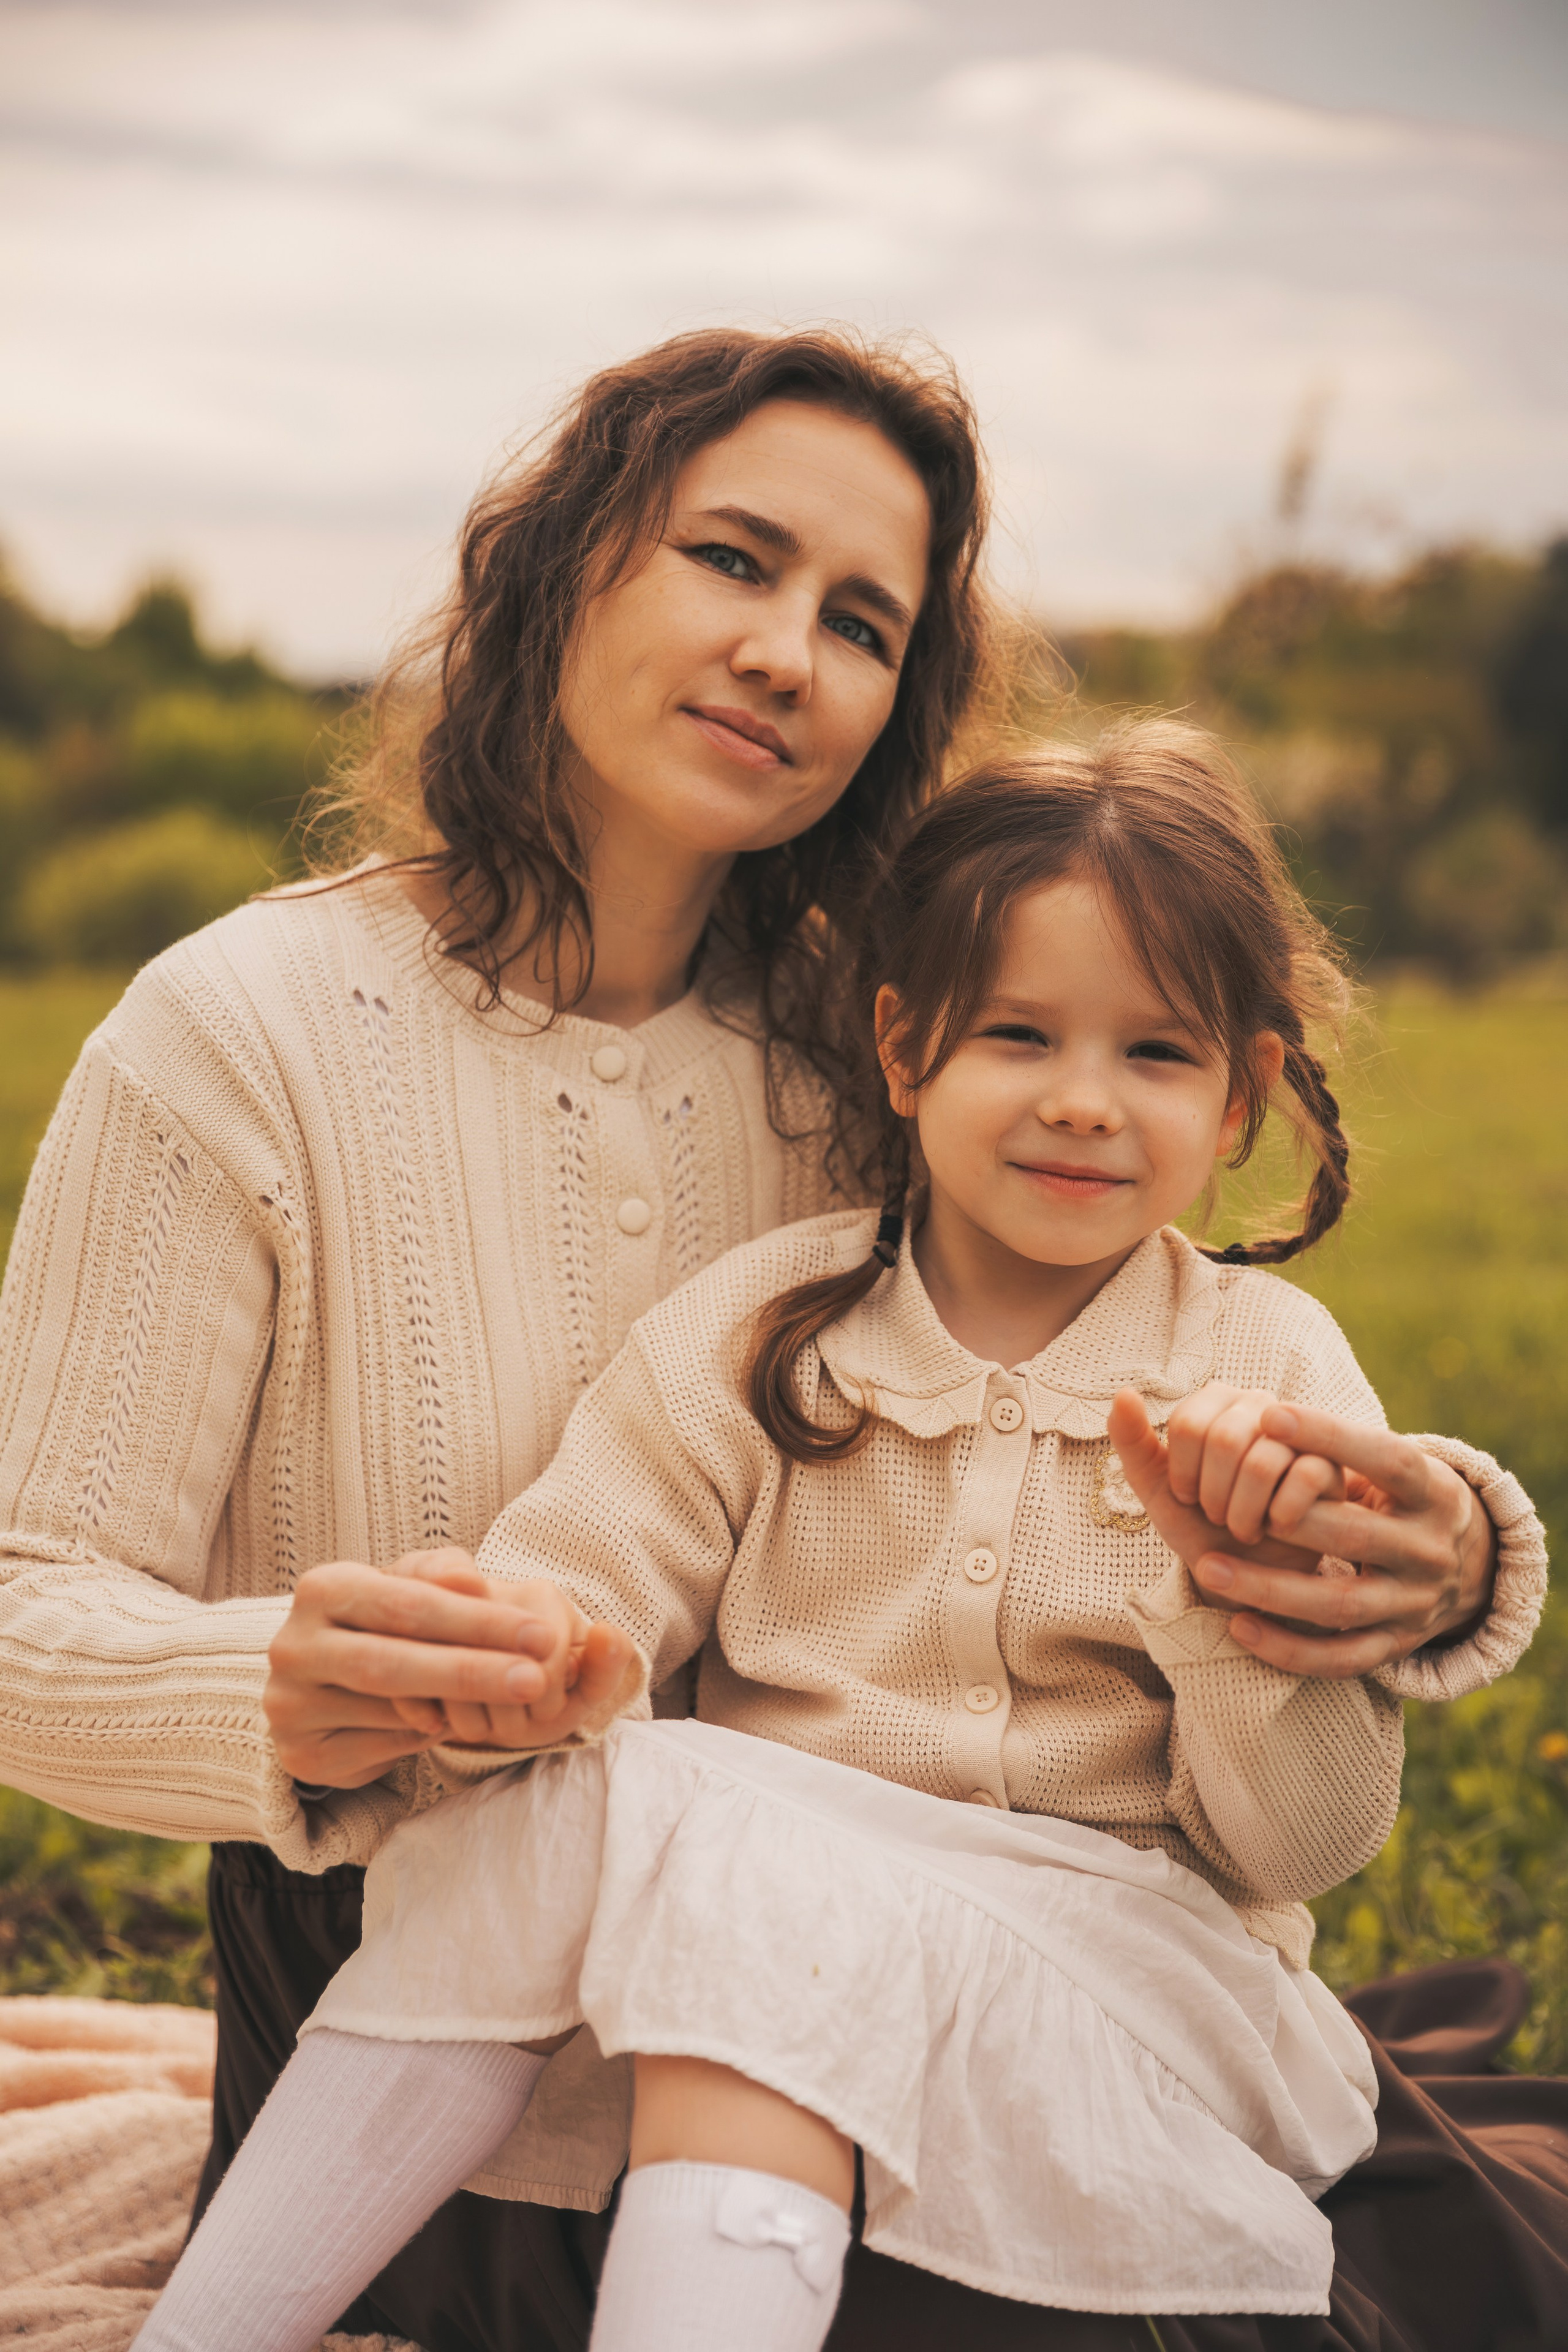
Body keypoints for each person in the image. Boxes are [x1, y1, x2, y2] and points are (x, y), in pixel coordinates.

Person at [0, 328, 1528, 2352]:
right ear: (563, 568)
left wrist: (1444, 1561)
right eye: (733, 558)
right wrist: (276, 1684)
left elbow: (1157, 1370)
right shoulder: (239, 1039)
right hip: (443, 1941)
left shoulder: (877, 1045)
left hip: (907, 1957)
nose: (792, 652)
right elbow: (24, 1612)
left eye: (863, 620)